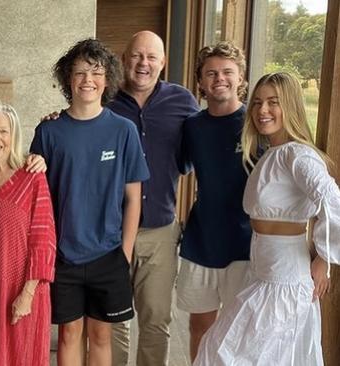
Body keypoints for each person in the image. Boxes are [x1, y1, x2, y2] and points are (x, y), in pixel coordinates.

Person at [194, 72, 340, 365]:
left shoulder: (297, 156)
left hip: (284, 283)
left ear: (291, 106)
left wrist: (325, 258)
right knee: (220, 349)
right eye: (258, 102)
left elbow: (332, 200)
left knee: (229, 354)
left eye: (274, 102)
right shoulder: (272, 154)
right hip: (262, 275)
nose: (262, 110)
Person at [31, 38, 149, 366]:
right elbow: (35, 193)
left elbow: (133, 198)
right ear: (68, 79)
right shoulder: (49, 131)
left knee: (100, 335)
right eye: (80, 72)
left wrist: (124, 254)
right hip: (64, 255)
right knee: (69, 334)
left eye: (96, 72)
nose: (87, 79)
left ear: (107, 79)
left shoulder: (123, 130)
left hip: (108, 254)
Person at [107, 31, 200, 366]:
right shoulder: (105, 100)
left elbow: (192, 157)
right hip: (111, 232)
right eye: (136, 55)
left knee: (156, 320)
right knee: (113, 320)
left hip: (161, 230)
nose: (143, 64)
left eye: (151, 57)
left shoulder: (183, 102)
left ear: (162, 62)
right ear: (124, 58)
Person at [0, 99, 56, 365]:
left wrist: (27, 294)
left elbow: (44, 240)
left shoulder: (31, 176)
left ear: (13, 136)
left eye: (3, 131)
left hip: (20, 289)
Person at [176, 42, 252, 361]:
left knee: (239, 330)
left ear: (240, 78)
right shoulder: (193, 126)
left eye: (227, 72)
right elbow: (178, 166)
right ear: (201, 82)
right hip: (202, 238)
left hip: (245, 242)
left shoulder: (255, 123)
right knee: (201, 326)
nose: (219, 78)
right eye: (211, 73)